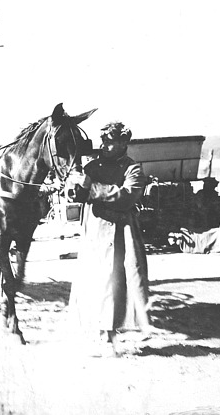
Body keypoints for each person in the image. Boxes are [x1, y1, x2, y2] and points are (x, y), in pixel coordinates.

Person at [66, 121, 151, 357]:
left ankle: (116, 334)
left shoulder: (133, 169)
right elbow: (81, 196)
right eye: (103, 141)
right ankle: (99, 332)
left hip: (121, 231)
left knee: (119, 279)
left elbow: (126, 196)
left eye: (111, 141)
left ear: (124, 143)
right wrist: (76, 187)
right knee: (95, 279)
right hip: (95, 230)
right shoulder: (92, 166)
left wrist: (93, 188)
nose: (105, 145)